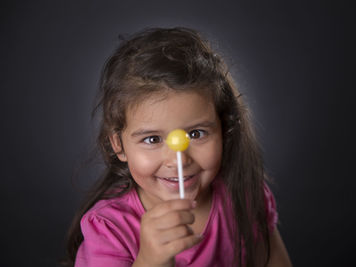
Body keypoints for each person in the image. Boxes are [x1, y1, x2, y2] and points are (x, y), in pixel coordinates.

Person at [65, 27, 292, 267]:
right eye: (152, 139)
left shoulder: (244, 196)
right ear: (118, 145)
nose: (179, 160)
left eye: (196, 133)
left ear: (224, 131)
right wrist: (149, 262)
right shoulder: (108, 227)